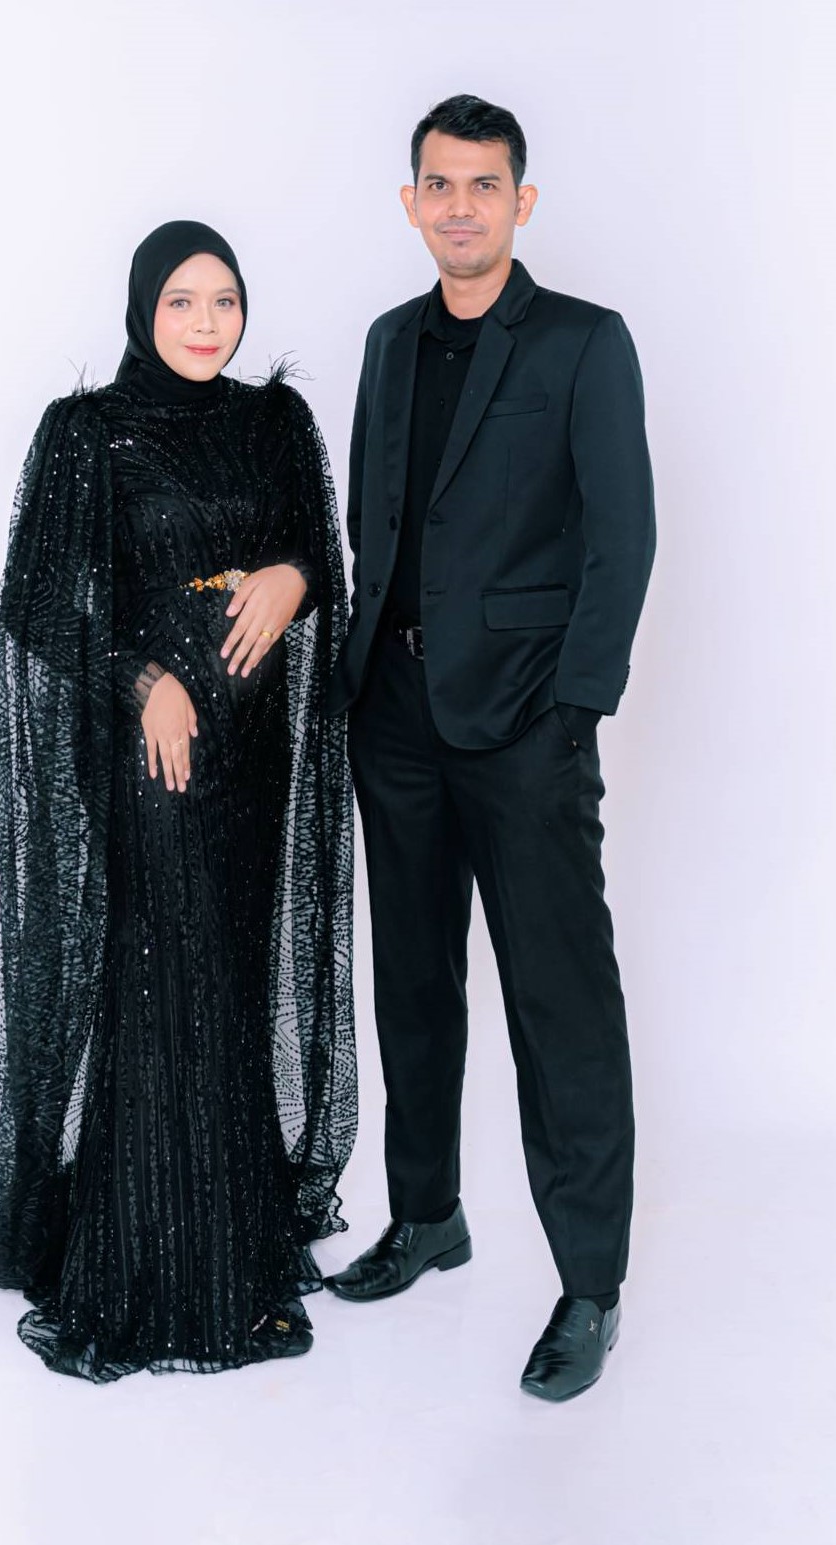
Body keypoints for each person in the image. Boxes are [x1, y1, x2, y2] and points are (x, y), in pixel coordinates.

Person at [0, 221, 355, 1381]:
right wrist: (144, 683)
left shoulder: (275, 422)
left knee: (229, 977)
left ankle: (232, 1244)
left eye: (223, 299)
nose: (205, 322)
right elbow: (37, 605)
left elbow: (320, 560)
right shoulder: (86, 431)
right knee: (158, 976)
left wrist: (290, 573)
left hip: (250, 757)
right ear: (143, 308)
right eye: (182, 300)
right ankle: (145, 1261)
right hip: (153, 760)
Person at [325, 96, 655, 1401]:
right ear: (409, 201)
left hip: (523, 725)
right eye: (437, 184)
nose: (457, 206)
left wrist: (572, 708)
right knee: (412, 982)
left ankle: (590, 1287)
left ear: (521, 201)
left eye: (482, 185)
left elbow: (621, 537)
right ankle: (426, 1216)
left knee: (556, 1003)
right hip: (393, 716)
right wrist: (361, 674)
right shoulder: (386, 340)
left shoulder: (582, 342)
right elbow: (375, 518)